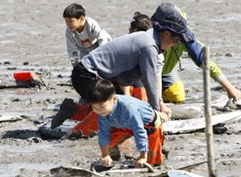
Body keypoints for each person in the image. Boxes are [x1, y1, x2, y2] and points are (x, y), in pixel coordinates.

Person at [50, 15, 192, 132]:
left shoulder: (149, 38)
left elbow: (149, 78)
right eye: (176, 40)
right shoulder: (149, 46)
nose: (175, 44)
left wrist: (160, 104)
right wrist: (156, 115)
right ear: (166, 34)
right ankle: (75, 133)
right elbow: (151, 81)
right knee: (108, 110)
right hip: (87, 74)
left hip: (99, 76)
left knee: (118, 111)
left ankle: (73, 110)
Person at [150, 3, 241, 103]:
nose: (176, 42)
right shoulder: (149, 36)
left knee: (177, 96)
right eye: (175, 38)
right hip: (145, 70)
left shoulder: (183, 35)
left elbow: (203, 58)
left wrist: (229, 87)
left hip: (165, 70)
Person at [88, 79, 165, 167]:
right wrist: (105, 155)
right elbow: (103, 133)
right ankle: (112, 159)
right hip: (124, 125)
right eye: (94, 107)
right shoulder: (103, 112)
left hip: (149, 126)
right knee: (109, 140)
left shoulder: (129, 108)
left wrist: (143, 156)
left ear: (114, 99)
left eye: (101, 106)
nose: (98, 110)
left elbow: (139, 131)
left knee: (152, 160)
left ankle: (155, 159)